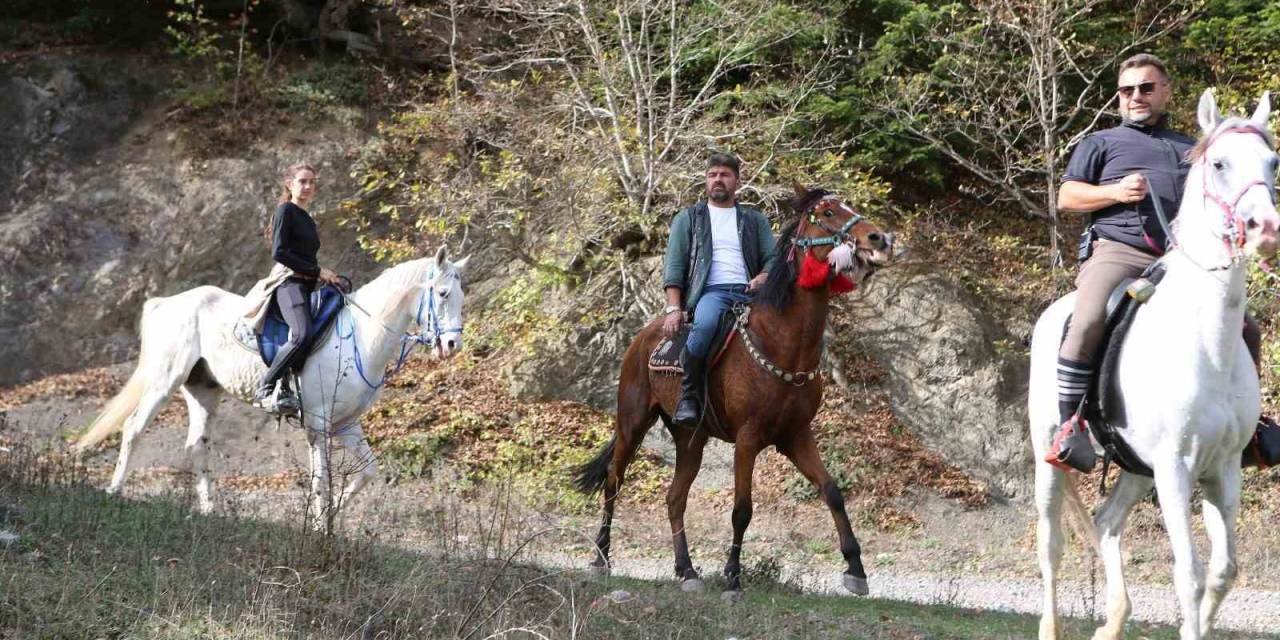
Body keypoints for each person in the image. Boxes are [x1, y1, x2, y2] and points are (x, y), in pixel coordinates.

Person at [1048, 53, 1269, 471]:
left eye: (1146, 88)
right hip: (1119, 251)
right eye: (1127, 90)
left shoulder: (1192, 148)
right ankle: (1070, 424)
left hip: (1179, 260)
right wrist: (1114, 192)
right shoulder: (1101, 142)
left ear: (1165, 92)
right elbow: (1067, 197)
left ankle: (1250, 427)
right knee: (1089, 318)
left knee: (1247, 327)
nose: (1136, 96)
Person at [661, 153, 776, 426]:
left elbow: (773, 257)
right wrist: (674, 308)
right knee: (705, 326)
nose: (718, 180)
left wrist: (764, 276)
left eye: (725, 175)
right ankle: (689, 397)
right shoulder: (688, 219)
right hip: (713, 293)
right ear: (706, 180)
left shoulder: (754, 219)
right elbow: (674, 266)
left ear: (737, 181)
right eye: (712, 175)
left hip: (752, 292)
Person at [251, 163, 340, 414]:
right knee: (302, 335)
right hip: (289, 283)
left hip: (307, 283)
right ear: (290, 184)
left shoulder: (307, 218)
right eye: (302, 181)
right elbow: (279, 252)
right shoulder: (285, 211)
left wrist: (323, 276)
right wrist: (318, 271)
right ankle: (266, 387)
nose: (308, 186)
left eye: (312, 182)